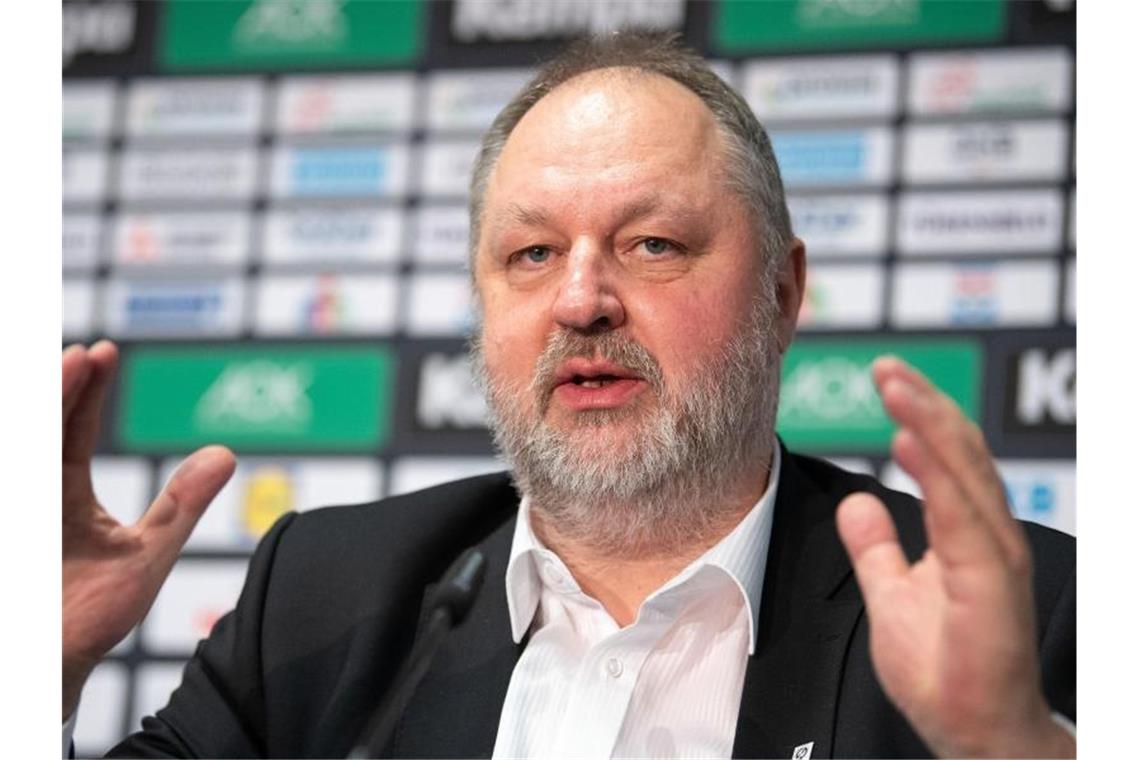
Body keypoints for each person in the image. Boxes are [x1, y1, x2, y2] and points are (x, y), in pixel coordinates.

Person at [62, 33, 1075, 758]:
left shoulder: (1023, 611)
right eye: (532, 253)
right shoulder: (324, 598)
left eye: (653, 244)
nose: (581, 300)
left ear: (782, 290)